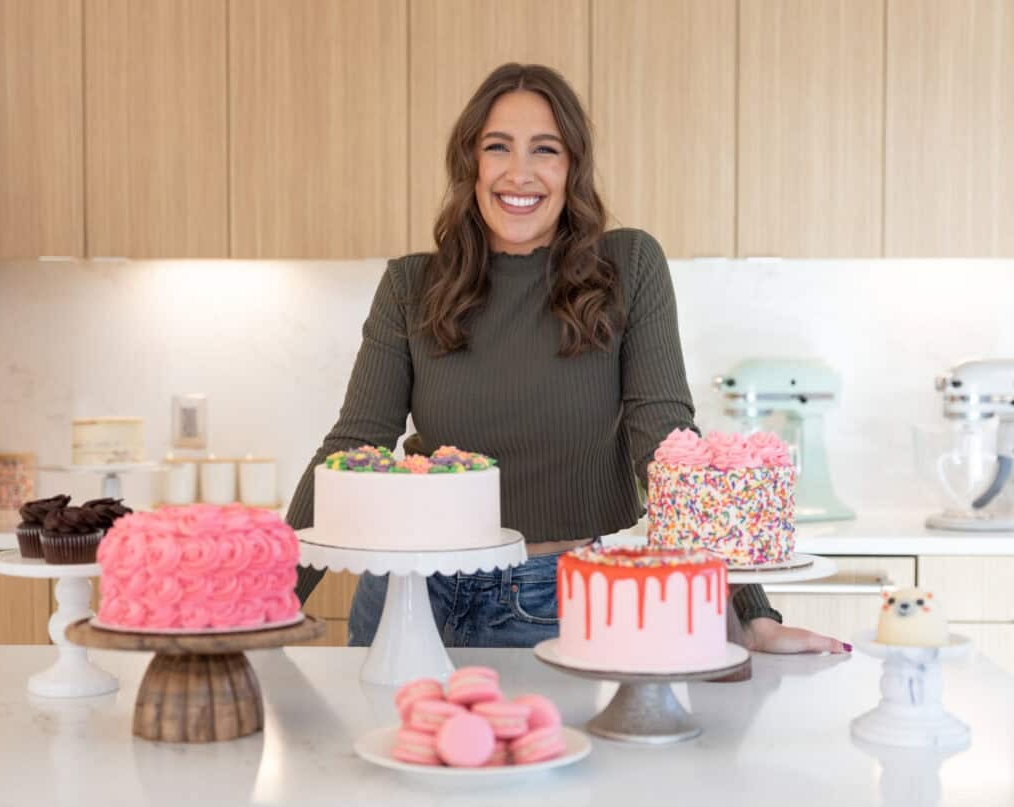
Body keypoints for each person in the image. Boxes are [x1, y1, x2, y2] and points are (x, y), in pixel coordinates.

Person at [286, 62, 849, 656]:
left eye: (545, 150)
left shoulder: (628, 266)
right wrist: (265, 607)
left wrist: (754, 613)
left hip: (557, 601)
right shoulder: (411, 284)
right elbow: (352, 448)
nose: (519, 172)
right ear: (470, 164)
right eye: (497, 147)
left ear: (572, 167)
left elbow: (666, 443)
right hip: (409, 597)